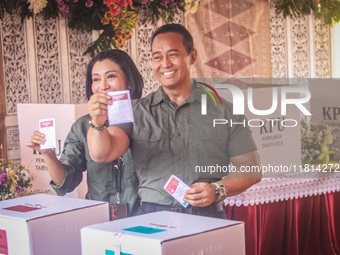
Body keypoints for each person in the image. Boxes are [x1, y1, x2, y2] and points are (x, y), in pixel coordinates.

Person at [87, 24, 262, 219]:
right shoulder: (134, 110)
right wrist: (98, 122)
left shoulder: (225, 110)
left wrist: (218, 189)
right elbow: (102, 154)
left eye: (172, 54)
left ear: (192, 56)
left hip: (208, 219)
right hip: (153, 220)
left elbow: (251, 167)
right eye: (157, 57)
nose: (165, 64)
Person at [25, 49, 143, 217]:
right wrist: (47, 154)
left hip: (145, 218)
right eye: (96, 79)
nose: (103, 85)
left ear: (129, 81)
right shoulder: (82, 126)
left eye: (111, 76)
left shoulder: (147, 118)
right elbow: (65, 184)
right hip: (100, 219)